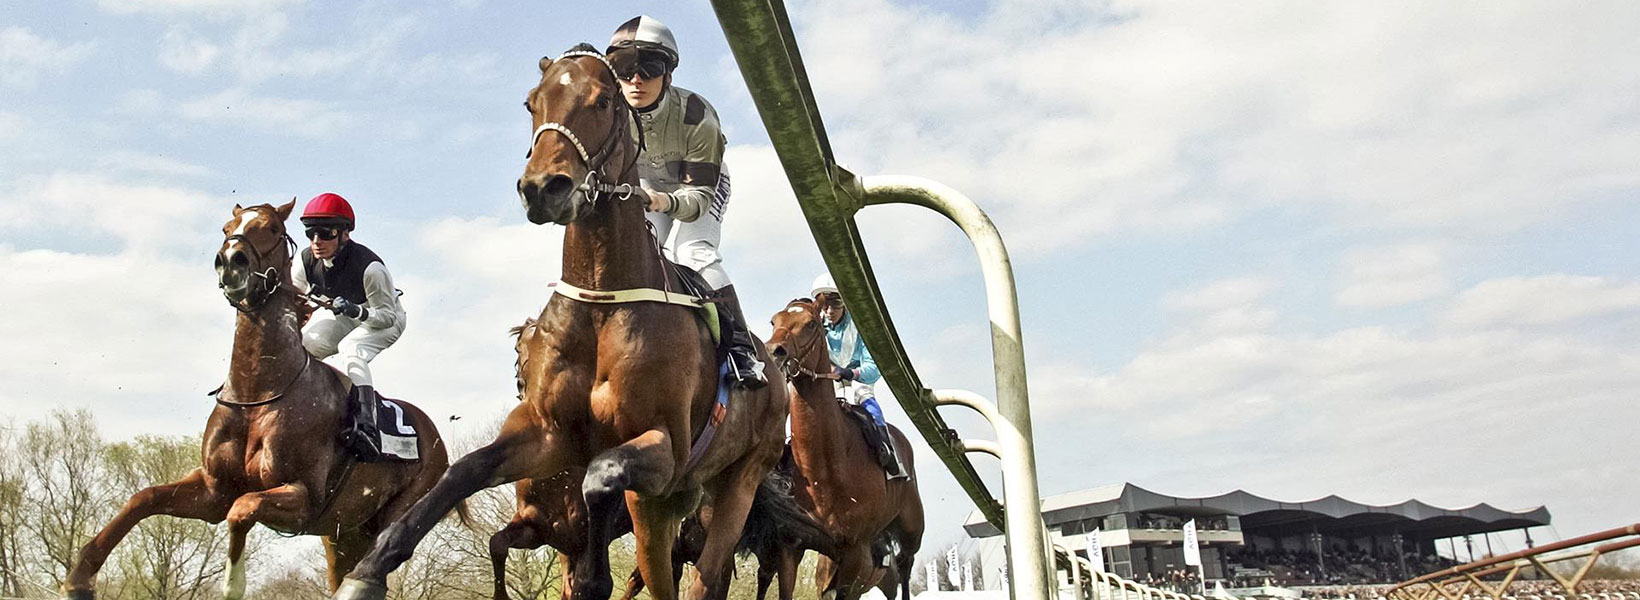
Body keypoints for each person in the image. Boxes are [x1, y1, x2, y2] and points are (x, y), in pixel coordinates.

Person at [605, 15, 767, 389]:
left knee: (693, 250)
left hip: (699, 184)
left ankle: (742, 350)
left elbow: (695, 200)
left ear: (668, 74)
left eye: (649, 67)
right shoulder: (610, 111)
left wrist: (661, 200)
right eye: (624, 68)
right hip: (648, 182)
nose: (636, 80)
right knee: (636, 253)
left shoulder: (699, 118)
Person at [291, 192, 407, 461]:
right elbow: (294, 300)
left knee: (350, 348)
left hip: (385, 318)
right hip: (345, 315)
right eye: (310, 234)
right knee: (303, 346)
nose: (316, 242)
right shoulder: (305, 261)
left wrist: (357, 310)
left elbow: (386, 317)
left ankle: (367, 425)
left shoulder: (371, 268)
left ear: (344, 234)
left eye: (325, 233)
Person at [809, 273, 908, 480]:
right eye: (825, 305)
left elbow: (873, 369)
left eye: (835, 304)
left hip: (857, 380)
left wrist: (850, 373)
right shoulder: (817, 326)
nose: (829, 311)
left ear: (845, 303)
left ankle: (887, 453)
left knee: (870, 407)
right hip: (829, 380)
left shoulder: (861, 327)